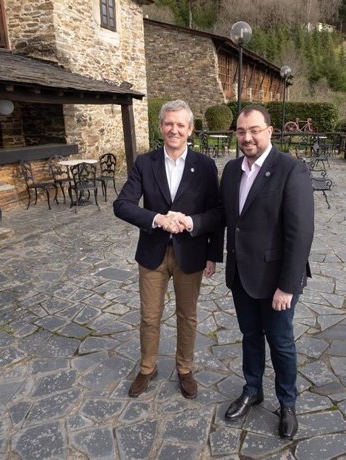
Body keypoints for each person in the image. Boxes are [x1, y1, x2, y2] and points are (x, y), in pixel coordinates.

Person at [181, 105, 314, 438]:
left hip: (276, 280)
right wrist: (194, 225)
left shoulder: (290, 169)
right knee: (251, 337)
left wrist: (288, 286)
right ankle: (253, 389)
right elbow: (223, 216)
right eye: (241, 131)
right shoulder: (232, 170)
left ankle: (287, 403)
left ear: (269, 130)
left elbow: (300, 233)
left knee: (281, 342)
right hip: (241, 275)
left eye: (254, 130)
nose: (247, 137)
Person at [113, 99, 223, 399]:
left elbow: (217, 213)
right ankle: (147, 367)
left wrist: (208, 246)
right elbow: (121, 205)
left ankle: (185, 368)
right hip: (153, 253)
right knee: (150, 316)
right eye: (168, 124)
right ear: (161, 127)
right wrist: (157, 218)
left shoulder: (204, 166)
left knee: (187, 316)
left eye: (180, 125)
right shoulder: (144, 163)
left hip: (191, 253)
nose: (174, 130)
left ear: (190, 129)